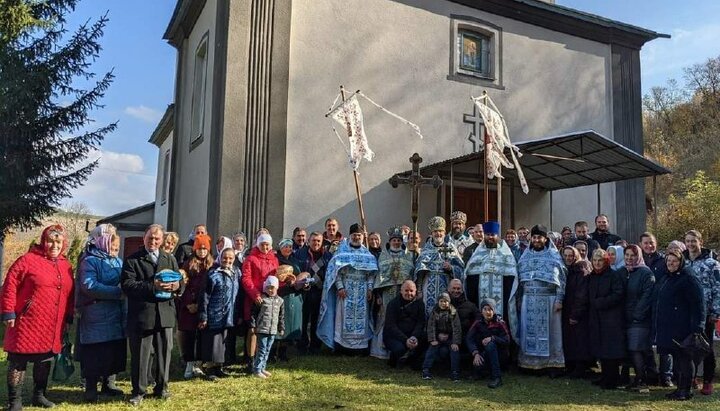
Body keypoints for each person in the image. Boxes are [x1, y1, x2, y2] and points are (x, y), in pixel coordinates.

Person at [2, 225, 75, 410]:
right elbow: (10, 285)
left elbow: (70, 293)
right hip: (25, 322)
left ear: (63, 243)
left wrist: (68, 317)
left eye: (58, 242)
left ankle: (39, 395)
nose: (54, 245)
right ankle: (15, 402)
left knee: (44, 361)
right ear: (44, 241)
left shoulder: (66, 264)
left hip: (51, 323)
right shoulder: (27, 260)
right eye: (50, 241)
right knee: (18, 362)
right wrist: (8, 312)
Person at [121, 224, 181, 406]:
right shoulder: (133, 260)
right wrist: (152, 286)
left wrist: (178, 287)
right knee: (141, 355)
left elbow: (179, 280)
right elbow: (127, 285)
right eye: (150, 238)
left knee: (164, 353)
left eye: (157, 239)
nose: (153, 242)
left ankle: (161, 388)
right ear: (144, 238)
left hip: (165, 314)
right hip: (142, 315)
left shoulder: (169, 258)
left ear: (162, 240)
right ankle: (138, 391)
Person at [508, 224, 566, 375]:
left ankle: (552, 365)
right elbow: (519, 280)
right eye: (534, 237)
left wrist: (560, 299)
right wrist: (520, 299)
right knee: (529, 331)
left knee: (552, 334)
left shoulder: (554, 256)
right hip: (528, 301)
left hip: (549, 300)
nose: (536, 240)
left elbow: (562, 278)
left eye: (539, 237)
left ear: (545, 239)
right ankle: (529, 364)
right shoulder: (525, 256)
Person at [76, 231, 126, 402]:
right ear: (103, 244)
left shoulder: (119, 262)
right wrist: (117, 292)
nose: (115, 252)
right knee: (94, 352)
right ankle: (91, 387)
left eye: (117, 249)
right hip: (95, 313)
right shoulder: (89, 261)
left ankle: (109, 383)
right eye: (112, 248)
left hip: (115, 313)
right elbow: (89, 285)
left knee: (113, 350)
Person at [654, 249, 705, 400]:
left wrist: (697, 327)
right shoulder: (668, 277)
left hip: (684, 328)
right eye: (668, 261)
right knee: (677, 359)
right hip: (671, 327)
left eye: (674, 261)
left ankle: (685, 390)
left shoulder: (688, 278)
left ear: (681, 261)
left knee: (684, 359)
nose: (671, 264)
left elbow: (698, 304)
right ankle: (679, 388)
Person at [318, 223, 378, 352]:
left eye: (359, 235)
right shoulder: (341, 252)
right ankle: (342, 347)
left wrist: (369, 288)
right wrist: (339, 287)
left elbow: (371, 274)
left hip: (362, 290)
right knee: (343, 318)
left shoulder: (367, 255)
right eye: (354, 235)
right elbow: (336, 272)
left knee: (362, 318)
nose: (357, 237)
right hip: (346, 290)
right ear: (350, 236)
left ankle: (360, 348)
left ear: (362, 237)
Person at [683, 229, 720, 395]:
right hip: (686, 311)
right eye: (688, 241)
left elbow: (718, 288)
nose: (690, 244)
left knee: (706, 348)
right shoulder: (682, 261)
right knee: (688, 346)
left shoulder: (712, 264)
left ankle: (707, 380)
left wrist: (715, 311)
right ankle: (691, 377)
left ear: (700, 242)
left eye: (693, 241)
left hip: (705, 313)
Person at [371, 227, 415, 359]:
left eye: (398, 240)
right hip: (387, 291)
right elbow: (378, 275)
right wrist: (378, 295)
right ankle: (381, 349)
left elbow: (411, 272)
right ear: (390, 241)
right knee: (385, 317)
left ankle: (401, 348)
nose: (396, 242)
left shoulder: (409, 254)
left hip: (403, 292)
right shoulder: (383, 255)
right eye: (394, 240)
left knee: (402, 318)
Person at [617, 244, 655, 392]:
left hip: (639, 319)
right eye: (627, 255)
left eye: (633, 255)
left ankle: (641, 379)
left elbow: (647, 296)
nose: (629, 258)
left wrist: (637, 315)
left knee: (636, 349)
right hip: (625, 317)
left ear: (638, 256)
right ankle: (634, 378)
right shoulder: (623, 272)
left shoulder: (645, 273)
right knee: (630, 349)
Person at [198, 247, 241, 379]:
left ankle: (218, 367)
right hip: (214, 314)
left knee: (223, 341)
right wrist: (203, 316)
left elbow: (239, 295)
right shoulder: (212, 273)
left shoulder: (236, 273)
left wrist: (237, 314)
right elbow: (204, 296)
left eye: (230, 258)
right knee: (213, 342)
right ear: (220, 258)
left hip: (228, 314)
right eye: (225, 258)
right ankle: (209, 369)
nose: (227, 260)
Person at [587, 248, 626, 390]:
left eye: (600, 261)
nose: (597, 263)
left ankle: (612, 379)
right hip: (596, 318)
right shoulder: (592, 276)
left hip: (611, 318)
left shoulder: (613, 275)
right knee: (601, 348)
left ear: (606, 261)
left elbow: (618, 294)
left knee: (611, 350)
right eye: (595, 260)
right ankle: (604, 376)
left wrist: (601, 302)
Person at [177, 234, 213, 380]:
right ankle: (189, 364)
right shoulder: (188, 264)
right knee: (189, 336)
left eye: (205, 249)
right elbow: (184, 286)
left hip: (203, 305)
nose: (202, 252)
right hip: (189, 306)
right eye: (200, 249)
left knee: (202, 336)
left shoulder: (211, 265)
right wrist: (188, 304)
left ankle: (198, 364)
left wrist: (201, 305)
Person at [464, 221, 517, 320]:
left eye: (493, 235)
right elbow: (470, 274)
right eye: (487, 235)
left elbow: (512, 275)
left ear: (497, 235)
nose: (490, 237)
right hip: (481, 294)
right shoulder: (478, 253)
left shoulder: (506, 254)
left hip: (501, 294)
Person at [241, 233, 279, 369]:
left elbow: (275, 278)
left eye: (267, 244)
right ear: (258, 244)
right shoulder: (250, 259)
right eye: (262, 244)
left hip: (268, 299)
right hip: (254, 298)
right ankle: (250, 359)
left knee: (264, 330)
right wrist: (255, 294)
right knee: (252, 329)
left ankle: (260, 359)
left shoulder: (274, 260)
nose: (265, 247)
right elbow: (246, 279)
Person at [415, 216, 465, 318]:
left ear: (444, 232)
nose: (438, 234)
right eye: (435, 231)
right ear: (432, 234)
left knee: (445, 312)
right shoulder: (426, 250)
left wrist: (451, 268)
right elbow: (419, 272)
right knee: (428, 311)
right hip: (428, 284)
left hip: (446, 284)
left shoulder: (451, 248)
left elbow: (461, 269)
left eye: (440, 231)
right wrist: (419, 290)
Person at [560, 246, 592, 378]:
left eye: (570, 255)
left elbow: (581, 294)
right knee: (571, 339)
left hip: (577, 312)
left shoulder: (580, 269)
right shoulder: (569, 270)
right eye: (565, 255)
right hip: (569, 309)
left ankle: (580, 368)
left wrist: (575, 313)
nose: (568, 258)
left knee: (579, 340)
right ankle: (572, 366)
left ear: (576, 256)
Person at [466, 299, 511, 389]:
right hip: (484, 353)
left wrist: (493, 338)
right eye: (485, 309)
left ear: (494, 311)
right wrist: (476, 353)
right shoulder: (478, 322)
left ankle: (497, 378)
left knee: (490, 344)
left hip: (500, 354)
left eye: (490, 309)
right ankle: (482, 373)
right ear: (481, 311)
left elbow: (507, 340)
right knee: (478, 364)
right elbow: (469, 339)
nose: (487, 312)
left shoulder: (500, 322)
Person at [383, 280, 426, 367]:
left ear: (415, 291)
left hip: (413, 336)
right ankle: (395, 358)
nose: (409, 293)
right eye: (406, 290)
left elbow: (420, 322)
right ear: (401, 291)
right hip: (395, 337)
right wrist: (405, 340)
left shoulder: (420, 304)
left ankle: (412, 359)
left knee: (427, 339)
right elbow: (391, 326)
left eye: (411, 291)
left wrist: (414, 336)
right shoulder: (393, 304)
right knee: (399, 349)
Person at [250, 276, 285, 379]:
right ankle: (256, 370)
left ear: (277, 288)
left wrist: (281, 328)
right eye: (268, 287)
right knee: (261, 350)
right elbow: (254, 313)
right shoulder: (262, 299)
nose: (270, 290)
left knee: (268, 350)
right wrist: (253, 325)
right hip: (262, 329)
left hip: (273, 330)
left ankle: (262, 368)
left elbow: (281, 316)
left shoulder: (280, 301)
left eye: (272, 287)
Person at [275, 239, 304, 361]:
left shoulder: (295, 260)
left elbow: (301, 274)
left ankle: (283, 352)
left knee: (289, 324)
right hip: (281, 295)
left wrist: (303, 283)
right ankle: (272, 352)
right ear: (280, 247)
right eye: (285, 246)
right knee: (278, 323)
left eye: (290, 247)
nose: (288, 249)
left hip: (294, 295)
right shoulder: (275, 260)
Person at [422, 293, 462, 381]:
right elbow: (431, 325)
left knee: (455, 350)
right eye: (441, 301)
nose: (443, 303)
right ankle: (426, 369)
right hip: (437, 336)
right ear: (438, 302)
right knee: (432, 349)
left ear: (449, 302)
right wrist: (433, 339)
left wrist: (455, 342)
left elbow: (456, 327)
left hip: (450, 337)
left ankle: (455, 372)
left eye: (446, 301)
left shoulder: (453, 311)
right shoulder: (435, 311)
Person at [225, 231, 247, 366]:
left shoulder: (247, 256)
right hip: (234, 294)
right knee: (231, 328)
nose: (239, 243)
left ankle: (246, 355)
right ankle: (229, 357)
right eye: (237, 241)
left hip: (245, 295)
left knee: (245, 326)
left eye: (242, 241)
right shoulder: (229, 256)